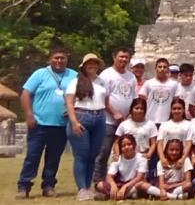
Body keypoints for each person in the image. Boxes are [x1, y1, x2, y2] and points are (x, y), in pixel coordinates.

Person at [17, 46, 77, 199]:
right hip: (39, 124)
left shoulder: (74, 75)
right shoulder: (40, 74)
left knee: (53, 158)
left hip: (61, 125)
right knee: (32, 156)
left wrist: (73, 109)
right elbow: (25, 94)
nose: (59, 61)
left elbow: (82, 95)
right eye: (56, 58)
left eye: (62, 58)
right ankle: (24, 186)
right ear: (50, 59)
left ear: (67, 59)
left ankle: (49, 186)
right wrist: (29, 115)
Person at [65, 53, 108, 201]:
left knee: (93, 155)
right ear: (84, 66)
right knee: (81, 155)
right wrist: (74, 122)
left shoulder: (101, 82)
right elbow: (69, 103)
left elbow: (105, 100)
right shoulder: (75, 82)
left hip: (99, 116)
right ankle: (81, 188)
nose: (92, 66)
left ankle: (88, 187)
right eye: (89, 63)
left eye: (95, 63)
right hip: (82, 116)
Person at [93, 47, 137, 184]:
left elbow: (133, 98)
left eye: (126, 57)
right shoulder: (106, 75)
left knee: (125, 153)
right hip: (108, 121)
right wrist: (114, 113)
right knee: (103, 152)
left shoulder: (131, 77)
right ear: (114, 57)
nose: (124, 59)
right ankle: (99, 182)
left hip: (125, 122)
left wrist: (129, 116)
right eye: (121, 56)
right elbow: (102, 98)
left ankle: (120, 180)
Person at [113, 98, 158, 180]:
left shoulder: (151, 124)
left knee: (140, 180)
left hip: (142, 156)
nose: (139, 111)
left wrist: (148, 155)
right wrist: (117, 154)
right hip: (126, 157)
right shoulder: (124, 124)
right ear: (131, 109)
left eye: (141, 109)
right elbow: (116, 142)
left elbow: (153, 143)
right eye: (137, 108)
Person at [95, 134, 147, 201]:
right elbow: (109, 176)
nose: (126, 147)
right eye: (123, 146)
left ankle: (110, 196)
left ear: (134, 145)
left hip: (133, 184)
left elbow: (139, 177)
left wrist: (125, 186)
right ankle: (123, 195)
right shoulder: (118, 159)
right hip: (120, 184)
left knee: (141, 184)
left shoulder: (141, 158)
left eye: (129, 144)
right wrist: (113, 185)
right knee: (100, 185)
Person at [138, 57, 178, 126]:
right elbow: (142, 98)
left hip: (167, 120)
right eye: (160, 67)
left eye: (165, 67)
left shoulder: (174, 84)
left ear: (168, 69)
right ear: (155, 68)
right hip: (150, 119)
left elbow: (176, 101)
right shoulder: (148, 83)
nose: (162, 69)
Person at [156, 98, 192, 169]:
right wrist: (162, 159)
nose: (176, 111)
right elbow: (160, 143)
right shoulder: (164, 125)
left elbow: (189, 143)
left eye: (179, 108)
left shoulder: (189, 124)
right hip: (166, 160)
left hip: (182, 160)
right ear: (171, 110)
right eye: (174, 109)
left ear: (183, 110)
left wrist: (182, 159)